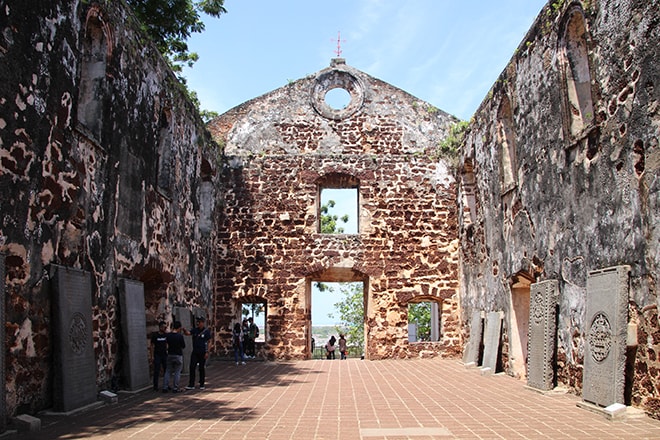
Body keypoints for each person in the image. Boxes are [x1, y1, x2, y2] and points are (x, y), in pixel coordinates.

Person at [185, 317, 212, 390]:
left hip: (202, 352)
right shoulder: (195, 330)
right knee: (192, 367)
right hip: (195, 351)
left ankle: (202, 383)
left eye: (199, 322)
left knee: (201, 368)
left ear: (203, 323)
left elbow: (209, 341)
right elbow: (188, 333)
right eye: (197, 322)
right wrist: (184, 330)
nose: (198, 323)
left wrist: (207, 352)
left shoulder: (206, 332)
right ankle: (191, 384)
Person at [163, 321, 185, 393]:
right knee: (177, 371)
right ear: (179, 328)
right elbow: (183, 346)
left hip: (170, 354)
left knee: (168, 371)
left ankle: (165, 387)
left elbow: (166, 344)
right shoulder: (180, 336)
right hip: (178, 354)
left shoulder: (168, 335)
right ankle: (175, 387)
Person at [150, 321, 168, 391]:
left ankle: (166, 384)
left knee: (166, 370)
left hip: (164, 354)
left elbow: (167, 343)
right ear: (160, 327)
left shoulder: (165, 335)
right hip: (157, 354)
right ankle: (155, 385)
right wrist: (152, 356)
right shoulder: (155, 335)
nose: (165, 328)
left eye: (165, 327)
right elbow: (152, 345)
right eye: (164, 327)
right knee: (156, 370)